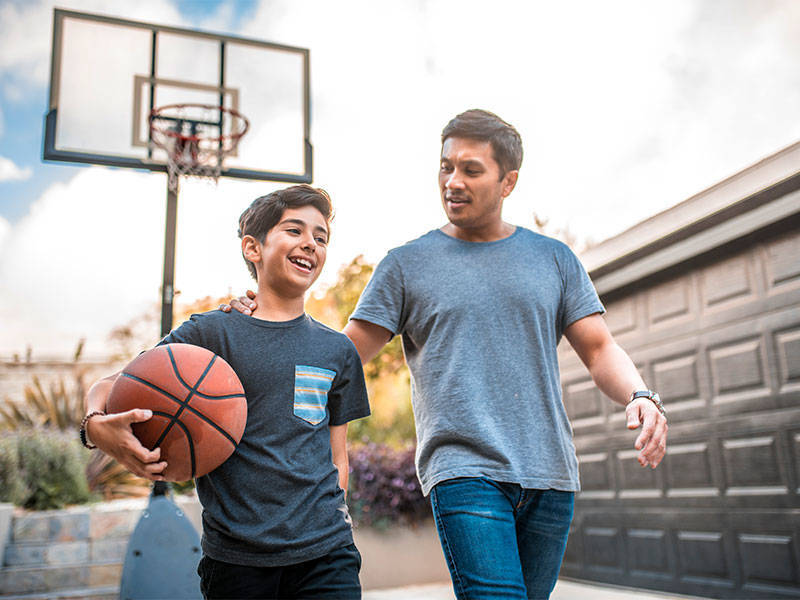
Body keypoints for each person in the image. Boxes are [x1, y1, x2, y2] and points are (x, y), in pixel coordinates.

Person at [224, 110, 669, 600]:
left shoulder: (554, 259)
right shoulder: (406, 265)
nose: (452, 182)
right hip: (463, 471)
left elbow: (600, 348)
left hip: (551, 474)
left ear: (508, 181)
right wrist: (262, 318)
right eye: (445, 167)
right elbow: (340, 355)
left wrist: (639, 394)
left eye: (471, 170)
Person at [81, 185, 371, 600]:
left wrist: (335, 517)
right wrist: (94, 424)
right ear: (253, 247)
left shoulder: (337, 349)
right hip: (237, 560)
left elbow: (336, 454)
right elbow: (113, 385)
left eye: (321, 237)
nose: (310, 243)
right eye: (294, 230)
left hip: (327, 554)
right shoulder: (212, 332)